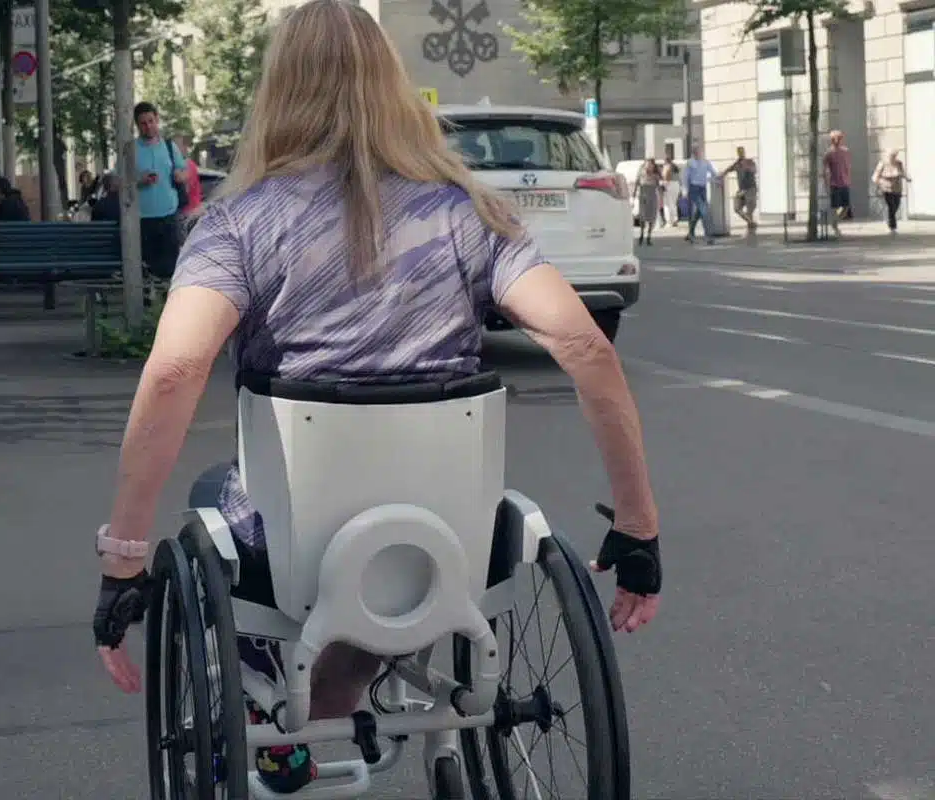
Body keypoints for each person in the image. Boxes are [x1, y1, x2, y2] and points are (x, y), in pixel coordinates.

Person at [88, 0, 663, 794]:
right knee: (441, 522)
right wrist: (637, 525)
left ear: (276, 92)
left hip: (296, 546)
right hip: (450, 546)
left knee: (214, 500)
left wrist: (122, 558)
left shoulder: (237, 226)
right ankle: (349, 679)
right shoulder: (470, 216)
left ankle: (292, 703)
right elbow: (585, 348)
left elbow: (176, 371)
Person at [132, 101, 188, 281]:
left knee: (171, 269)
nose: (148, 126)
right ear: (137, 125)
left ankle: (169, 303)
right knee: (148, 270)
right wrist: (139, 180)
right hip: (143, 219)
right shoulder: (131, 150)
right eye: (143, 123)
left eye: (151, 121)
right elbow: (118, 182)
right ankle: (149, 303)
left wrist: (180, 175)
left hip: (169, 216)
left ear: (157, 120)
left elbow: (184, 171)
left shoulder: (170, 147)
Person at [683, 144, 717, 245]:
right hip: (694, 189)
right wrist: (685, 190)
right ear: (693, 153)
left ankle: (690, 233)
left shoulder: (706, 162)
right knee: (704, 211)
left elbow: (713, 173)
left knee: (699, 213)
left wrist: (718, 180)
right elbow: (685, 177)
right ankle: (709, 236)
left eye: (699, 151)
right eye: (696, 151)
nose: (698, 153)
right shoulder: (690, 163)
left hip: (703, 189)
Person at [871, 148, 909, 234]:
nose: (894, 157)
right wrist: (879, 183)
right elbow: (875, 176)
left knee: (896, 205)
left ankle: (889, 220)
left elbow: (903, 172)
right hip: (886, 188)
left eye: (895, 155)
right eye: (892, 155)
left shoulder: (899, 163)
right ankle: (892, 227)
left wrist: (907, 178)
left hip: (897, 189)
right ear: (888, 155)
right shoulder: (882, 163)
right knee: (891, 207)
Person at [722, 146, 758, 234]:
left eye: (742, 152)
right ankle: (751, 223)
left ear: (744, 153)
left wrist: (748, 168)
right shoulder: (737, 164)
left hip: (750, 189)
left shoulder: (749, 162)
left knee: (750, 210)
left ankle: (751, 231)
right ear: (738, 153)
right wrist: (721, 175)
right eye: (739, 152)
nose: (741, 154)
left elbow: (754, 170)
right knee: (736, 207)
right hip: (742, 191)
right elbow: (729, 169)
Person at [823, 130, 852, 235]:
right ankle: (835, 226)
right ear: (831, 140)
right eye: (835, 138)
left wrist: (848, 179)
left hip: (844, 182)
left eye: (839, 138)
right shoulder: (828, 153)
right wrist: (827, 184)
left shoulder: (846, 151)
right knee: (835, 206)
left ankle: (835, 221)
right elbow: (825, 170)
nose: (837, 140)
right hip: (834, 183)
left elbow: (848, 166)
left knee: (846, 206)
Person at [634, 158, 661, 246]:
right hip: (643, 197)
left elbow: (659, 187)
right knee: (642, 216)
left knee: (651, 217)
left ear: (653, 166)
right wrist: (633, 195)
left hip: (652, 197)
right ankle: (641, 234)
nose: (648, 166)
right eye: (647, 164)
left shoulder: (655, 176)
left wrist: (661, 198)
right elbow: (636, 184)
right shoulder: (641, 174)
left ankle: (649, 236)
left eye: (650, 165)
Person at [660, 145, 680, 227]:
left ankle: (669, 222)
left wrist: (663, 184)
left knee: (667, 204)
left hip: (669, 184)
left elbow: (666, 176)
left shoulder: (667, 166)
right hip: (676, 185)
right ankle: (675, 220)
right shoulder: (675, 166)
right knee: (673, 203)